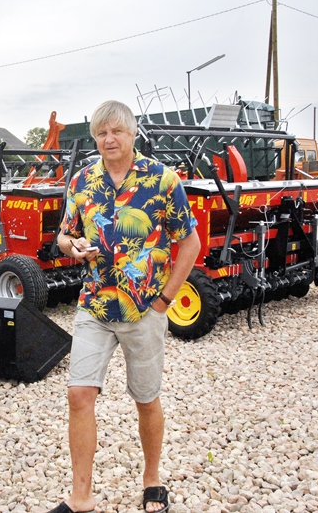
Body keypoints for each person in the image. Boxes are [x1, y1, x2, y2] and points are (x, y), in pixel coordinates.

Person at [50, 100, 201, 513]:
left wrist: (164, 300)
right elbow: (64, 235)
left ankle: (152, 481)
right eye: (101, 132)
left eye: (116, 131)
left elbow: (190, 242)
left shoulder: (162, 181)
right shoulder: (82, 181)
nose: (108, 139)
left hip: (143, 309)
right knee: (79, 395)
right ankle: (81, 498)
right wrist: (73, 245)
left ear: (133, 134)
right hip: (95, 304)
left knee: (146, 398)